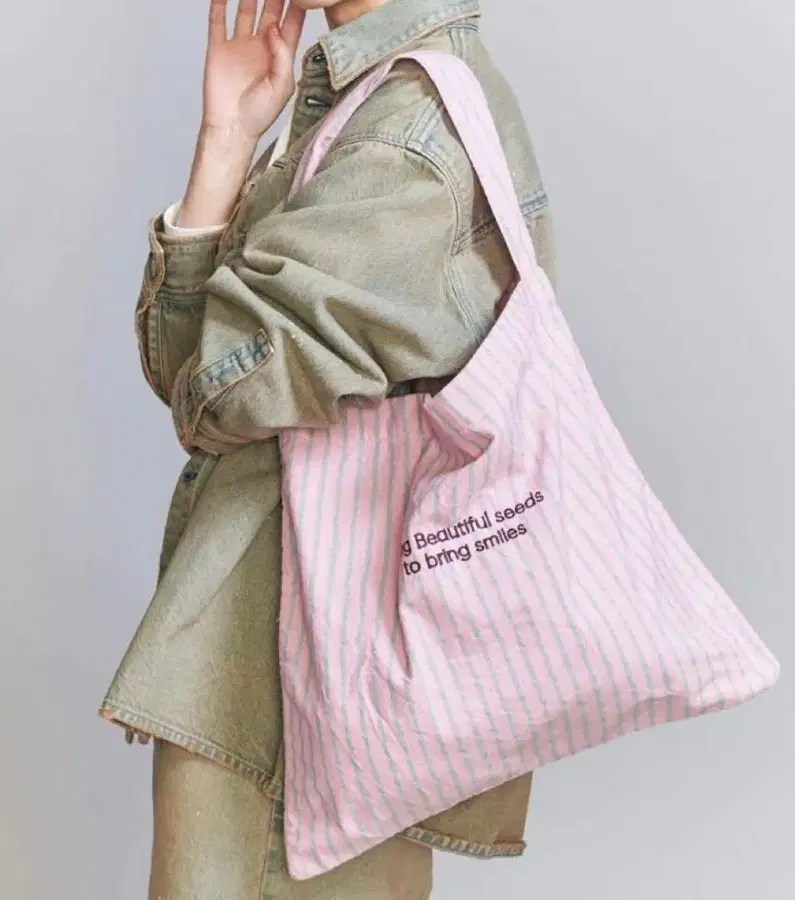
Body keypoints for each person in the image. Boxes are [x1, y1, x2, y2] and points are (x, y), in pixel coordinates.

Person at [100, 0, 555, 896]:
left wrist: (212, 365)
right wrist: (227, 141)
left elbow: (218, 391)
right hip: (288, 670)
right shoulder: (371, 99)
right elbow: (192, 372)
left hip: (291, 691)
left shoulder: (409, 134)